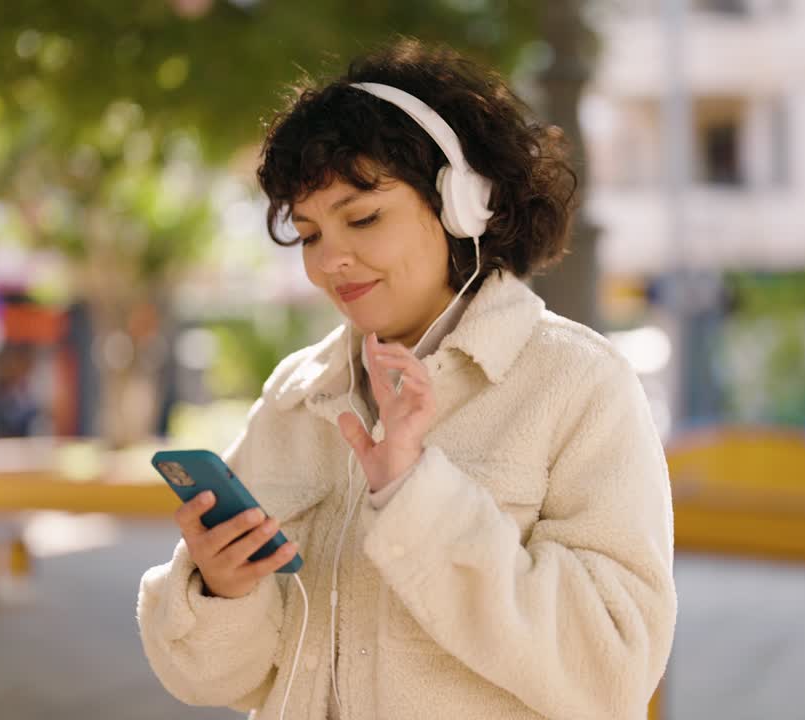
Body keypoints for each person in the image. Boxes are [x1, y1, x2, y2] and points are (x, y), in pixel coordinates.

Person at [137, 39, 677, 720]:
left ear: (463, 207)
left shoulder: (579, 386)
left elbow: (611, 671)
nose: (331, 259)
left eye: (363, 217)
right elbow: (218, 682)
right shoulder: (297, 395)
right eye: (308, 234)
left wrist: (416, 496)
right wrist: (221, 590)